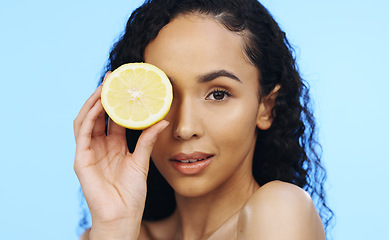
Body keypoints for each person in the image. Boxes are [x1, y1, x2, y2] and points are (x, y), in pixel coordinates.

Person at [74, 0, 333, 239]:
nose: (185, 128)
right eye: (167, 95)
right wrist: (114, 226)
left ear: (266, 107)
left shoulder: (280, 209)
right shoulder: (108, 233)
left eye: (218, 94)